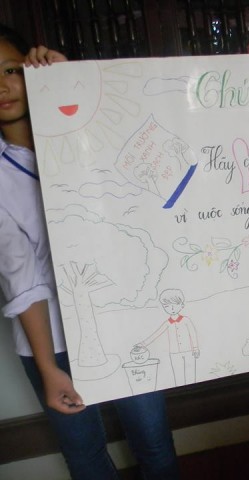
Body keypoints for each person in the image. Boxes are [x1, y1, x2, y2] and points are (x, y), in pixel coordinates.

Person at [0, 24, 180, 479]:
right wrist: (48, 368)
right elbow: (20, 275)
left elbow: (152, 185)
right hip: (49, 341)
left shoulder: (89, 137)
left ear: (30, 69)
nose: (1, 86)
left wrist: (68, 81)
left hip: (123, 320)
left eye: (10, 70)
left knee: (154, 443)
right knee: (84, 455)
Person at [137, 288, 200, 386]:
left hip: (189, 351)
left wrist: (195, 348)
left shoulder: (186, 320)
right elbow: (156, 334)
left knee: (191, 376)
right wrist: (143, 344)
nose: (172, 308)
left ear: (181, 305)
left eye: (175, 305)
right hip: (174, 353)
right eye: (167, 306)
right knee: (178, 378)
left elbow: (193, 334)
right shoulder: (167, 323)